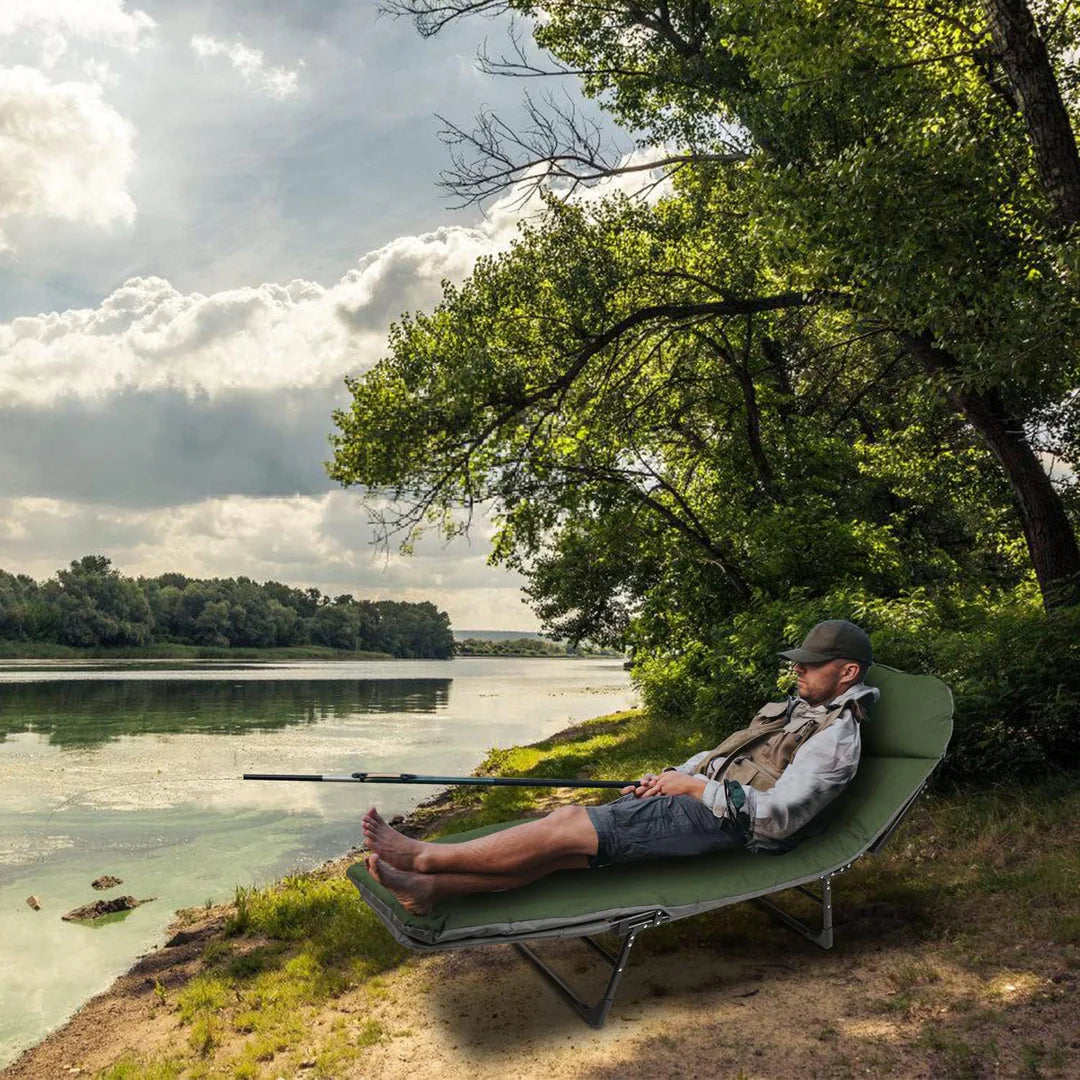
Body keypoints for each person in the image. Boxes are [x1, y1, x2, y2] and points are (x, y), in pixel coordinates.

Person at [362, 619, 878, 914]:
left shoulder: (835, 738)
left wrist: (695, 791)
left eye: (809, 664)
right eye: (798, 661)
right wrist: (672, 776)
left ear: (847, 672)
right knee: (564, 853)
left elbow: (779, 817)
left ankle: (426, 858)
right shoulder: (799, 708)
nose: (797, 669)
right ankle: (432, 891)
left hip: (728, 824)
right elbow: (715, 757)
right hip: (698, 800)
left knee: (564, 826)